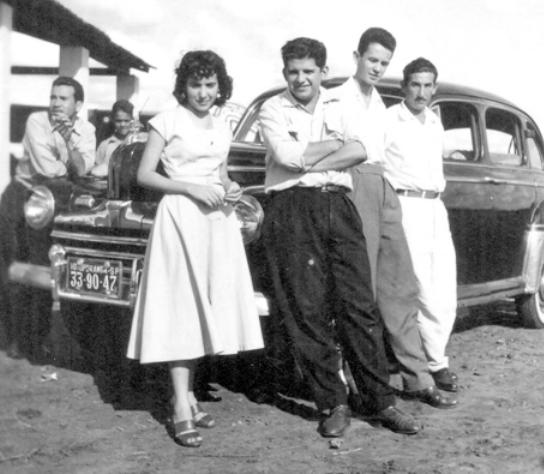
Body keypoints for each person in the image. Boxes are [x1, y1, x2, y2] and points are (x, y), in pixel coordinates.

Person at [259, 37, 420, 438]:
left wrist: (313, 155)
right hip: (293, 210)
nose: (301, 79)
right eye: (294, 71)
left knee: (359, 305)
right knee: (307, 310)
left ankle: (380, 401)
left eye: (309, 71)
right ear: (285, 73)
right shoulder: (272, 109)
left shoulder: (341, 102)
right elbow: (286, 157)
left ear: (323, 72)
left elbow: (362, 149)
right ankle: (332, 403)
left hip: (340, 205)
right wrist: (333, 147)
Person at [126, 50, 264, 448]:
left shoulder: (222, 126)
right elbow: (145, 174)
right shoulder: (166, 121)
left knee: (207, 306)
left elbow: (220, 173)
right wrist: (189, 187)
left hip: (215, 221)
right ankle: (181, 409)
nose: (202, 93)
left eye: (209, 85)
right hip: (180, 218)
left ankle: (185, 395)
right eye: (195, 84)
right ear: (182, 87)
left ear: (220, 87)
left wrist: (230, 186)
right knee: (182, 308)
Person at [327, 28, 456, 408]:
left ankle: (417, 378)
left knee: (399, 289)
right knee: (358, 290)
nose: (377, 68)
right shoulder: (336, 98)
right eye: (372, 60)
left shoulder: (380, 105)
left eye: (384, 62)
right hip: (355, 184)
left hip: (383, 188)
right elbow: (333, 148)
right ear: (357, 57)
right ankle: (352, 382)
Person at [0, 76, 96, 359]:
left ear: (78, 104)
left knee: (47, 269)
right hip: (24, 196)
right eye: (53, 97)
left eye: (63, 98)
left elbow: (83, 169)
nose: (55, 103)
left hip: (58, 201)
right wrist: (73, 164)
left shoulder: (86, 129)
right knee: (15, 269)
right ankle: (14, 338)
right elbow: (47, 170)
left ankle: (38, 339)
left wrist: (68, 140)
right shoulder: (36, 121)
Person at [384, 57, 459, 392]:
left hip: (434, 208)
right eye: (415, 84)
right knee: (414, 288)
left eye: (428, 85)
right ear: (404, 86)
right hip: (404, 205)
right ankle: (415, 367)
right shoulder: (388, 119)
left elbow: (442, 158)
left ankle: (437, 360)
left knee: (443, 287)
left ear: (435, 88)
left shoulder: (433, 122)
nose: (422, 92)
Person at [90, 99, 134, 177]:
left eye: (126, 121)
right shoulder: (105, 145)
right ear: (113, 120)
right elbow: (96, 169)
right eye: (119, 121)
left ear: (132, 120)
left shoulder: (138, 143)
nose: (122, 124)